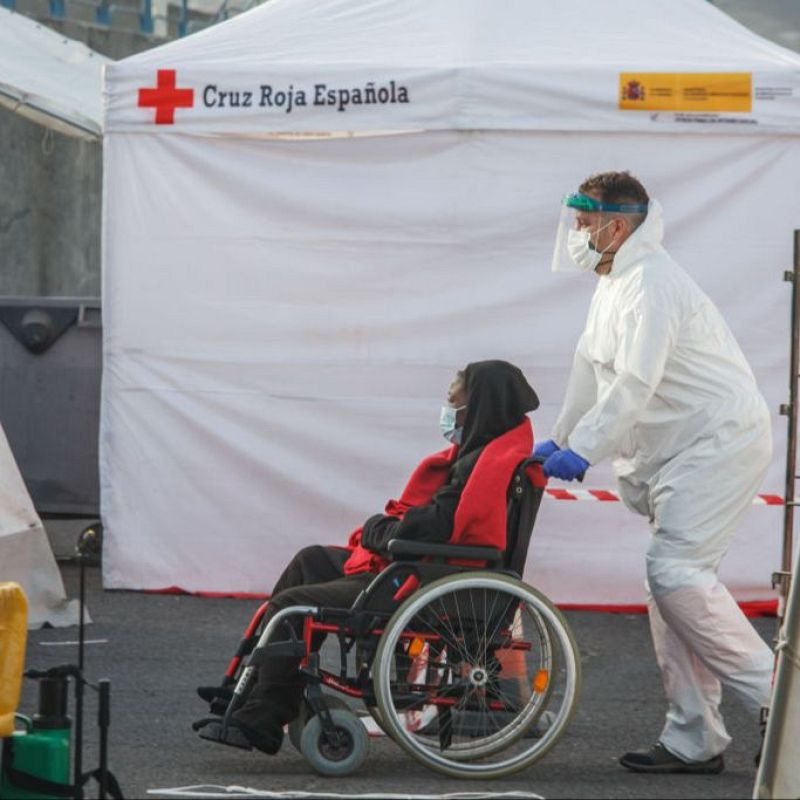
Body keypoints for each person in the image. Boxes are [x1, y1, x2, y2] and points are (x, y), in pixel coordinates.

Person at [538, 171, 774, 774]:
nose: (577, 233)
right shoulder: (616, 282)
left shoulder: (653, 284)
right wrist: (561, 441)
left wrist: (584, 450)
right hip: (685, 449)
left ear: (616, 226)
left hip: (716, 442)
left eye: (585, 222)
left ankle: (784, 707)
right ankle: (694, 737)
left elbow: (636, 382)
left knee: (674, 574)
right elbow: (591, 371)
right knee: (671, 586)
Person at [198, 359, 539, 755]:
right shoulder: (480, 455)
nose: (447, 412)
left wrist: (380, 531)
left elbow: (436, 527)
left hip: (430, 577)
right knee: (310, 560)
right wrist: (387, 531)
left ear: (479, 407)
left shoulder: (486, 465)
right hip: (424, 566)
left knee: (291, 607)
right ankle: (254, 692)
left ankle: (265, 715)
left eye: (453, 402)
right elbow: (431, 522)